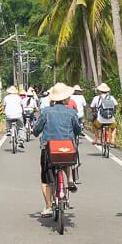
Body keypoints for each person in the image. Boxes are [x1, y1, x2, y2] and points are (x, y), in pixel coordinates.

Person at [32, 83, 82, 217]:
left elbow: (37, 130)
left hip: (49, 149)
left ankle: (48, 207)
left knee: (46, 179)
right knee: (68, 157)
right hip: (67, 148)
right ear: (66, 98)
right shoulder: (71, 112)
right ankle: (70, 179)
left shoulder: (46, 111)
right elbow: (78, 130)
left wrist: (34, 132)